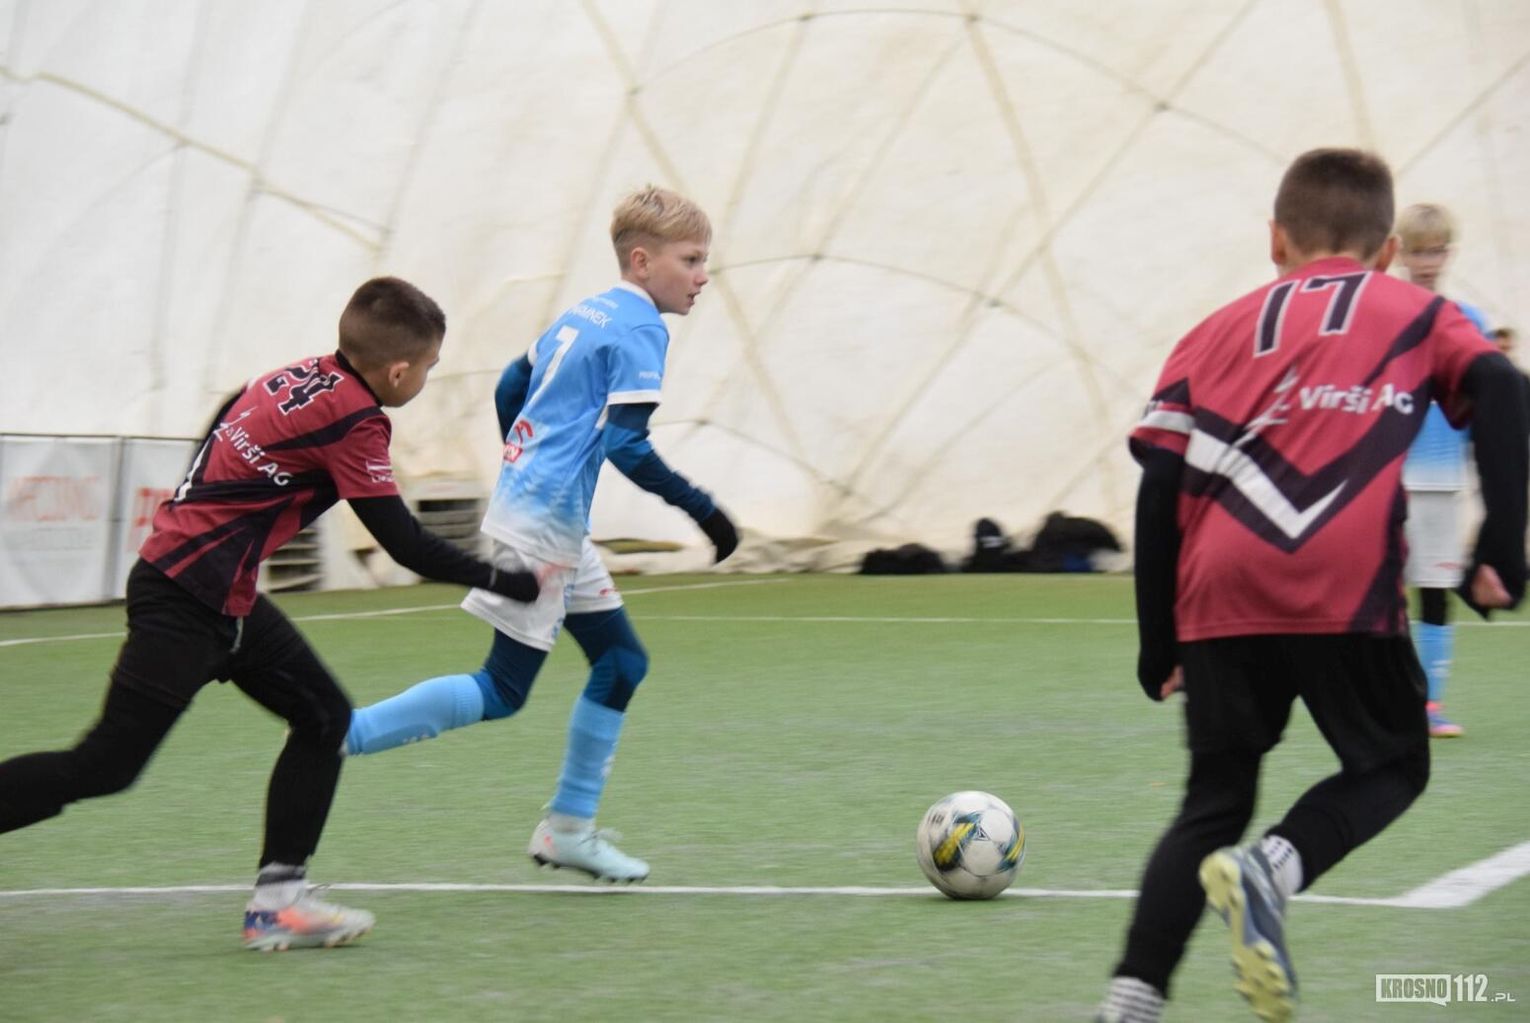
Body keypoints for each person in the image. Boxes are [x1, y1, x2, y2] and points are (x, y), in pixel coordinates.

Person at [1096, 149, 1526, 1023]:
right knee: (1393, 761)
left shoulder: (1210, 331)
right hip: (1342, 578)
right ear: (1387, 250)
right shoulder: (1418, 312)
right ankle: (1274, 868)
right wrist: (1503, 544)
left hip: (1218, 588)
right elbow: (1502, 386)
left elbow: (1160, 482)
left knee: (1212, 801)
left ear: (1275, 240)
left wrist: (1157, 636)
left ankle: (1127, 1003)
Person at [0, 277, 541, 951]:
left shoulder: (293, 376)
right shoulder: (358, 420)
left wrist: (199, 507)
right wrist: (509, 581)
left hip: (219, 597)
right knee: (104, 766)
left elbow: (224, 414)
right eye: (429, 367)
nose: (427, 379)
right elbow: (404, 543)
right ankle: (277, 902)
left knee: (324, 718)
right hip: (186, 602)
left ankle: (278, 904)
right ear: (398, 370)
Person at [344, 186, 738, 883]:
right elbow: (627, 447)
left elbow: (510, 383)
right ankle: (341, 731)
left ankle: (568, 829)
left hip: (544, 514)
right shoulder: (642, 329)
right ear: (642, 261)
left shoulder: (587, 310)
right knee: (503, 688)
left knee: (622, 663)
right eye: (691, 259)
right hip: (545, 523)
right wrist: (705, 510)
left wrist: (521, 458)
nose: (703, 275)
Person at [1395, 203, 1494, 738]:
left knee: (1434, 589)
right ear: (1400, 254)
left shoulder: (1468, 321)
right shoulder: (1385, 316)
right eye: (1418, 251)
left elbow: (1484, 398)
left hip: (1440, 479)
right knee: (1381, 593)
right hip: (1384, 478)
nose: (1428, 261)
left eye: (1436, 251)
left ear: (1449, 253)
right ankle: (1386, 702)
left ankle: (1429, 704)